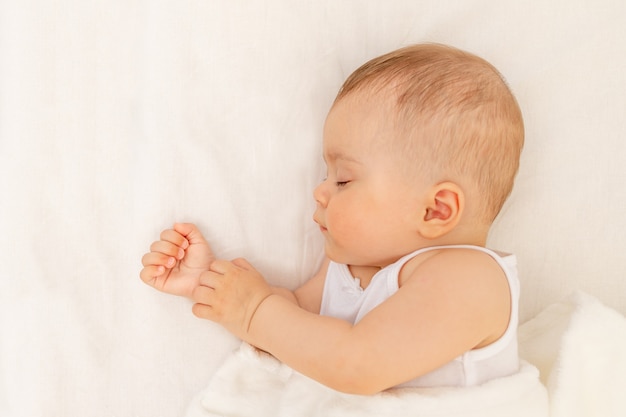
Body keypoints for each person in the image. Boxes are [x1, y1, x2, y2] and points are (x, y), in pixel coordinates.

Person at [140, 43, 524, 395]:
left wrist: (254, 311)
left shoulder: (471, 280)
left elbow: (358, 366)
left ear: (436, 210)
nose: (320, 191)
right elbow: (293, 323)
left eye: (343, 179)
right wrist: (213, 284)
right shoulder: (345, 267)